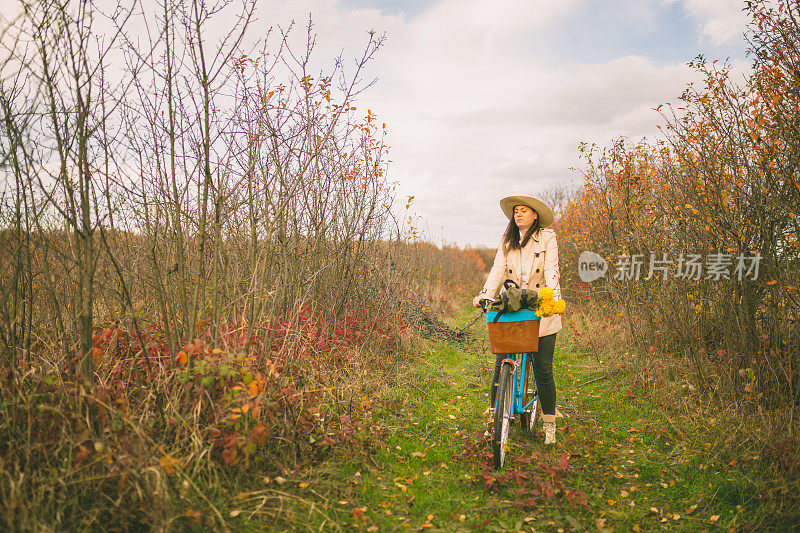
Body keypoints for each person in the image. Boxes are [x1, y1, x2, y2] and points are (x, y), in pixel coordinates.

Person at [473, 194, 563, 445]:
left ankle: (549, 425)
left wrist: (553, 299)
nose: (518, 214)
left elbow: (552, 269)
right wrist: (485, 294)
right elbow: (497, 269)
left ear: (535, 215)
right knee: (502, 360)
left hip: (540, 304)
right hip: (512, 303)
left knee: (543, 368)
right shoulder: (507, 239)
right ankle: (494, 417)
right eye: (516, 211)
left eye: (524, 210)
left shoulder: (547, 237)